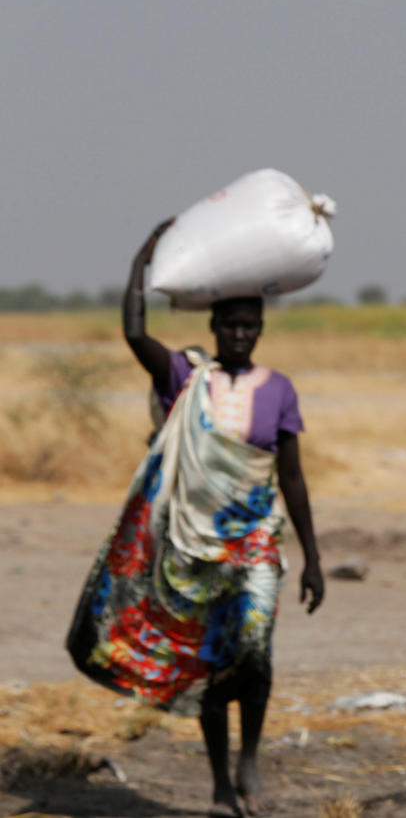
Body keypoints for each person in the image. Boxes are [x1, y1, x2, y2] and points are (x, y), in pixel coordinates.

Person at [66, 220, 325, 818]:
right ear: (213, 327)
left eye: (249, 325)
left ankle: (250, 755)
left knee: (255, 652)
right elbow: (134, 331)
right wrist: (142, 258)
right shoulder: (187, 376)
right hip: (193, 545)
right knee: (212, 660)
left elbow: (292, 477)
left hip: (257, 542)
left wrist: (313, 558)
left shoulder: (278, 389)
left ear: (259, 329)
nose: (239, 334)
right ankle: (218, 782)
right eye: (230, 325)